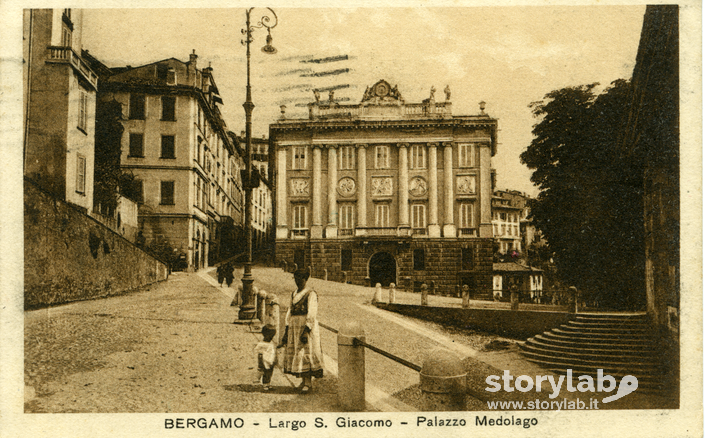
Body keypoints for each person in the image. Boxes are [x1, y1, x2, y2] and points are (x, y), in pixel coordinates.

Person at [278, 268, 323, 393]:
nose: (298, 281)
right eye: (296, 278)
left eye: (300, 278)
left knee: (305, 352)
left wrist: (306, 330)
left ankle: (308, 383)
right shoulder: (294, 293)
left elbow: (312, 312)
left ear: (305, 279)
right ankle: (303, 381)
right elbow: (289, 311)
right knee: (297, 353)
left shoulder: (310, 294)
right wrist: (287, 329)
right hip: (294, 326)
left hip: (304, 326)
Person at [254, 325, 277, 391]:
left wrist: (274, 360)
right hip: (265, 360)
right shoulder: (262, 344)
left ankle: (268, 383)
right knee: (265, 372)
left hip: (270, 360)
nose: (271, 338)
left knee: (270, 372)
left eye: (272, 336)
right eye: (270, 336)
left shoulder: (271, 343)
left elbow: (273, 352)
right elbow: (258, 351)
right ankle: (265, 384)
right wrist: (260, 360)